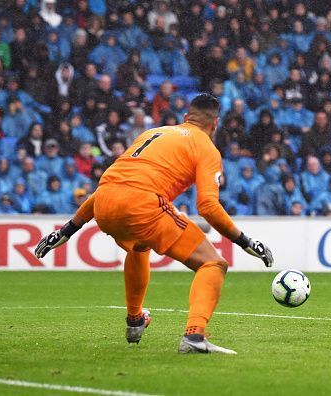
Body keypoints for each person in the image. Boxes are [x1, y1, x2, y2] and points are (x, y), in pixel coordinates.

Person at [34, 94, 273, 354]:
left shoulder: (153, 133)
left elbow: (116, 183)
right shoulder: (206, 147)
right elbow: (207, 206)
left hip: (102, 201)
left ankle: (135, 319)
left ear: (184, 118)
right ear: (215, 123)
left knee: (138, 246)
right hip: (142, 204)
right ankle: (194, 336)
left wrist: (68, 230)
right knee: (213, 263)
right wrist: (245, 241)